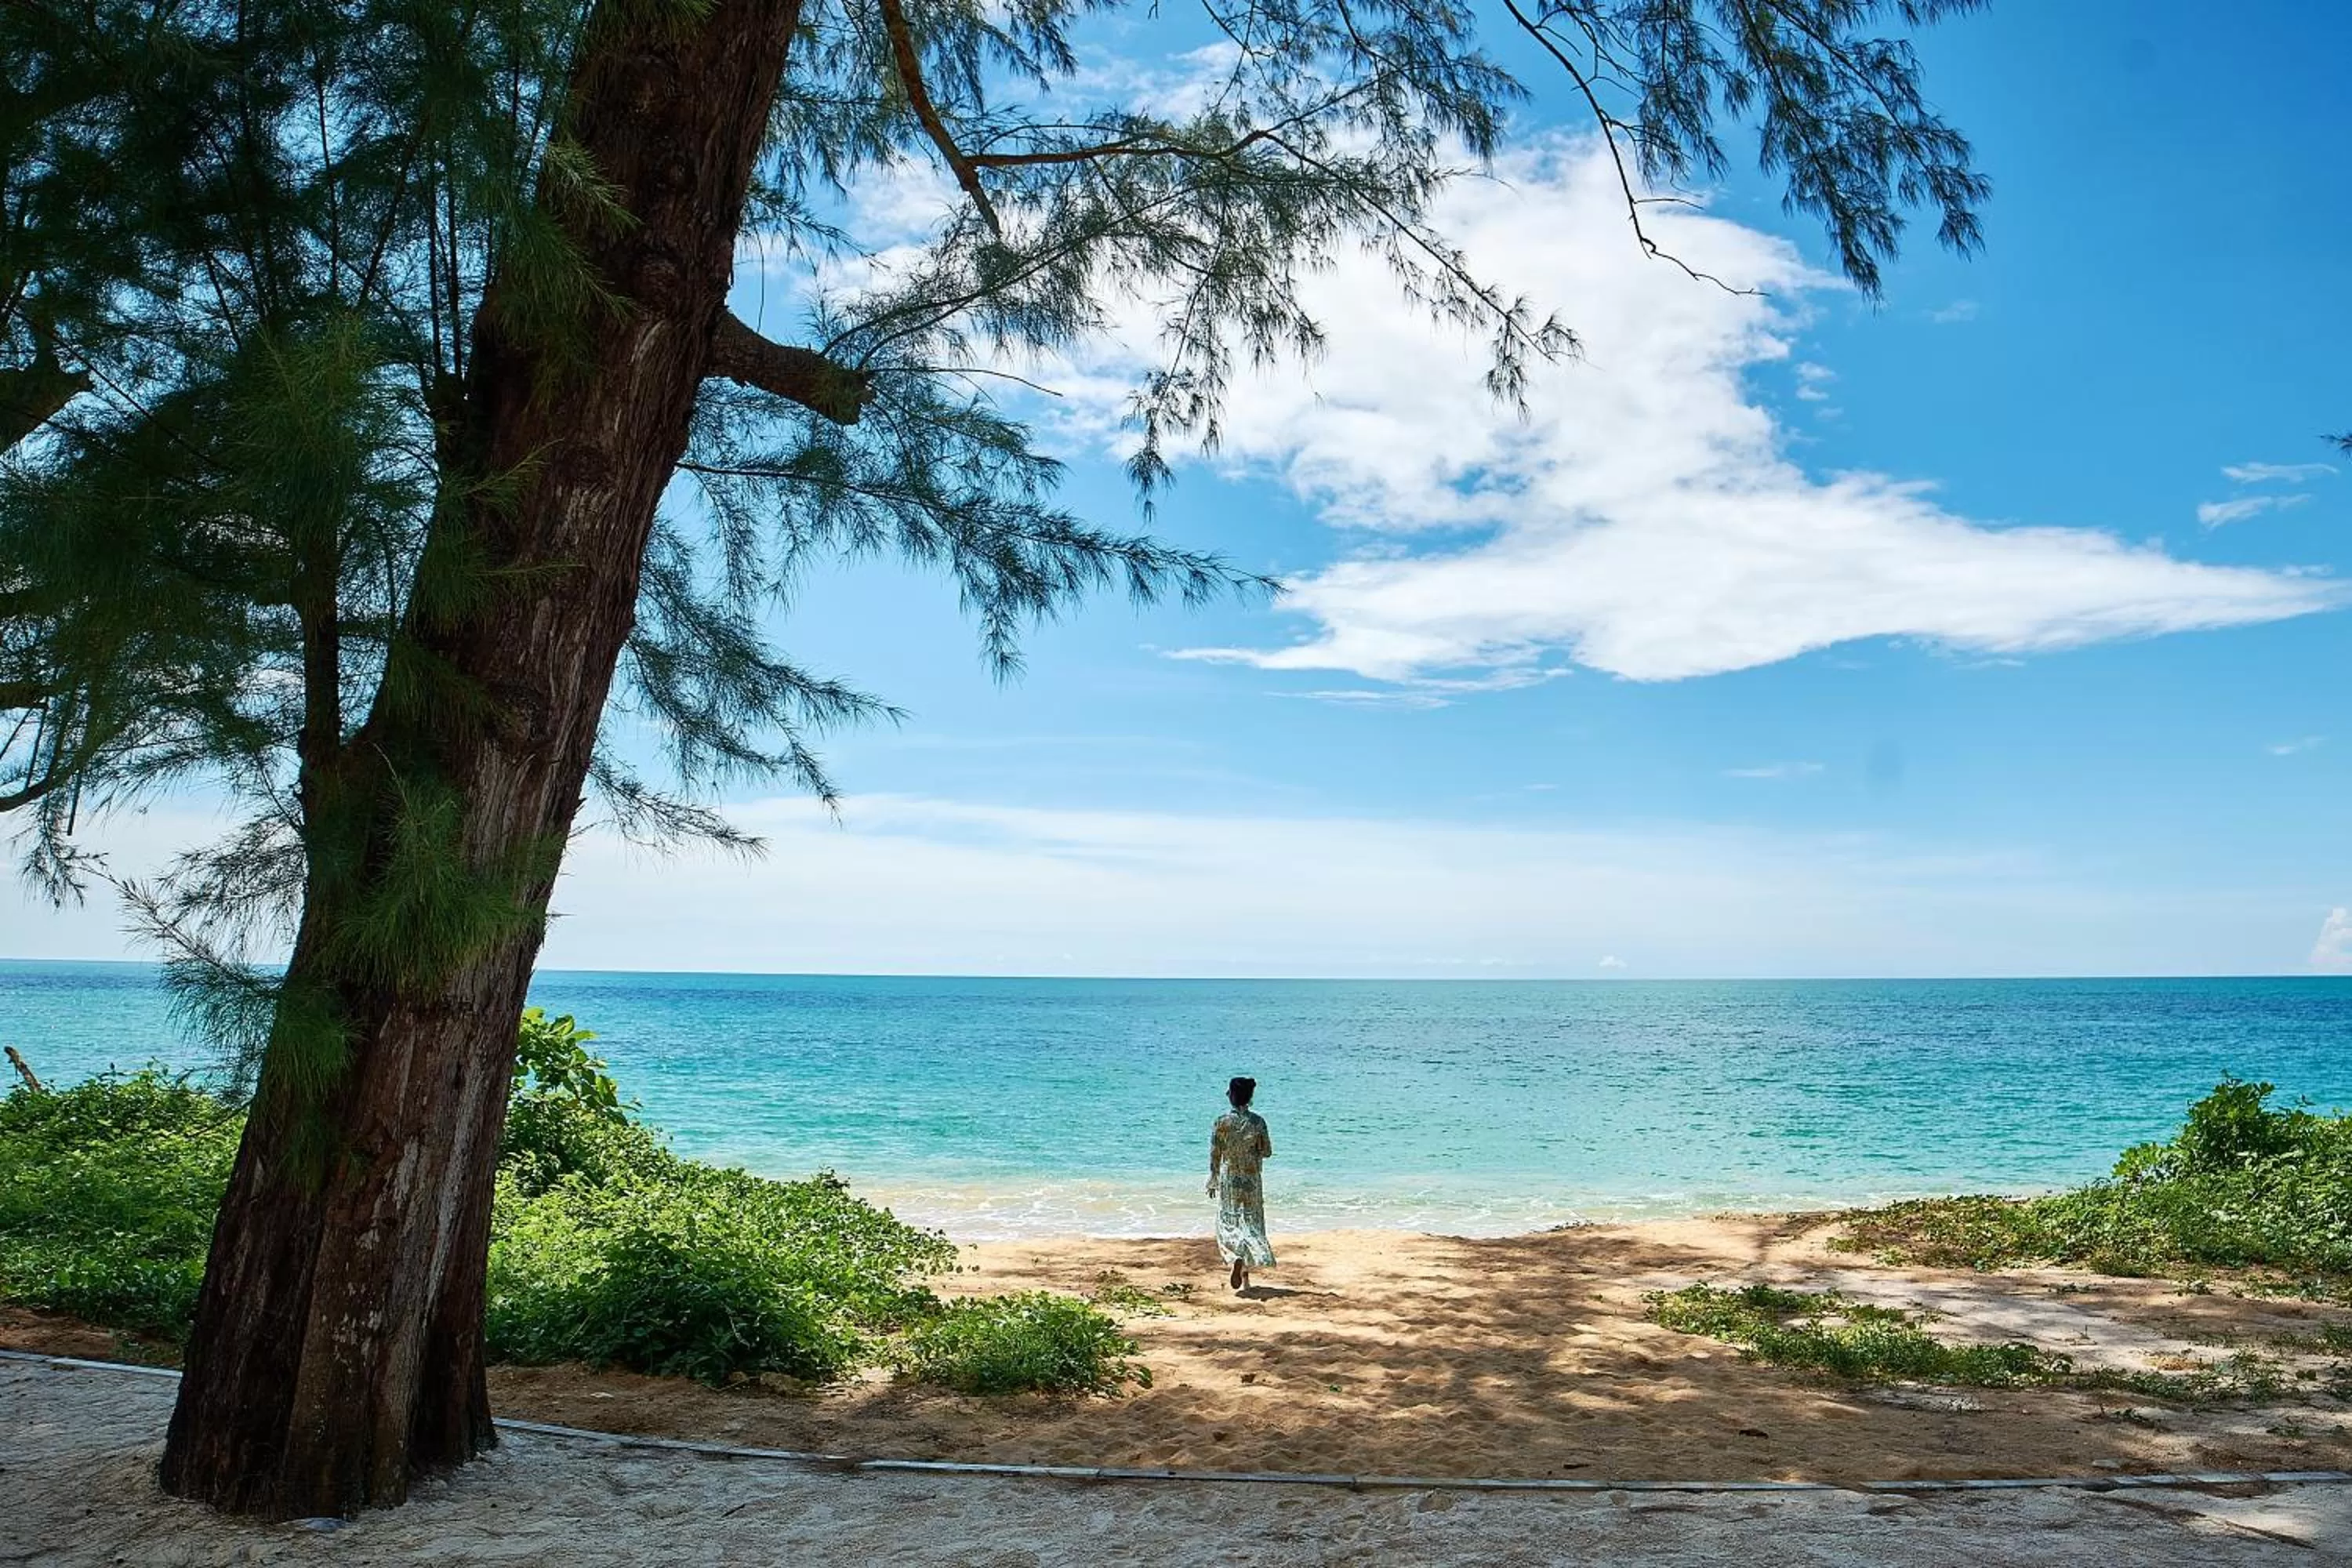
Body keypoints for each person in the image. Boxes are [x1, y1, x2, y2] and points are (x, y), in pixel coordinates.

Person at [1207, 1076, 1275, 1291]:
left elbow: (1215, 1153)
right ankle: (1246, 1279)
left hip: (1229, 1180)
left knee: (1228, 1223)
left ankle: (1235, 1256)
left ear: (1231, 1096)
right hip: (1252, 1179)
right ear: (1250, 1097)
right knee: (1251, 1224)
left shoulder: (1221, 1122)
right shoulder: (1258, 1122)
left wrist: (1213, 1178)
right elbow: (1267, 1152)